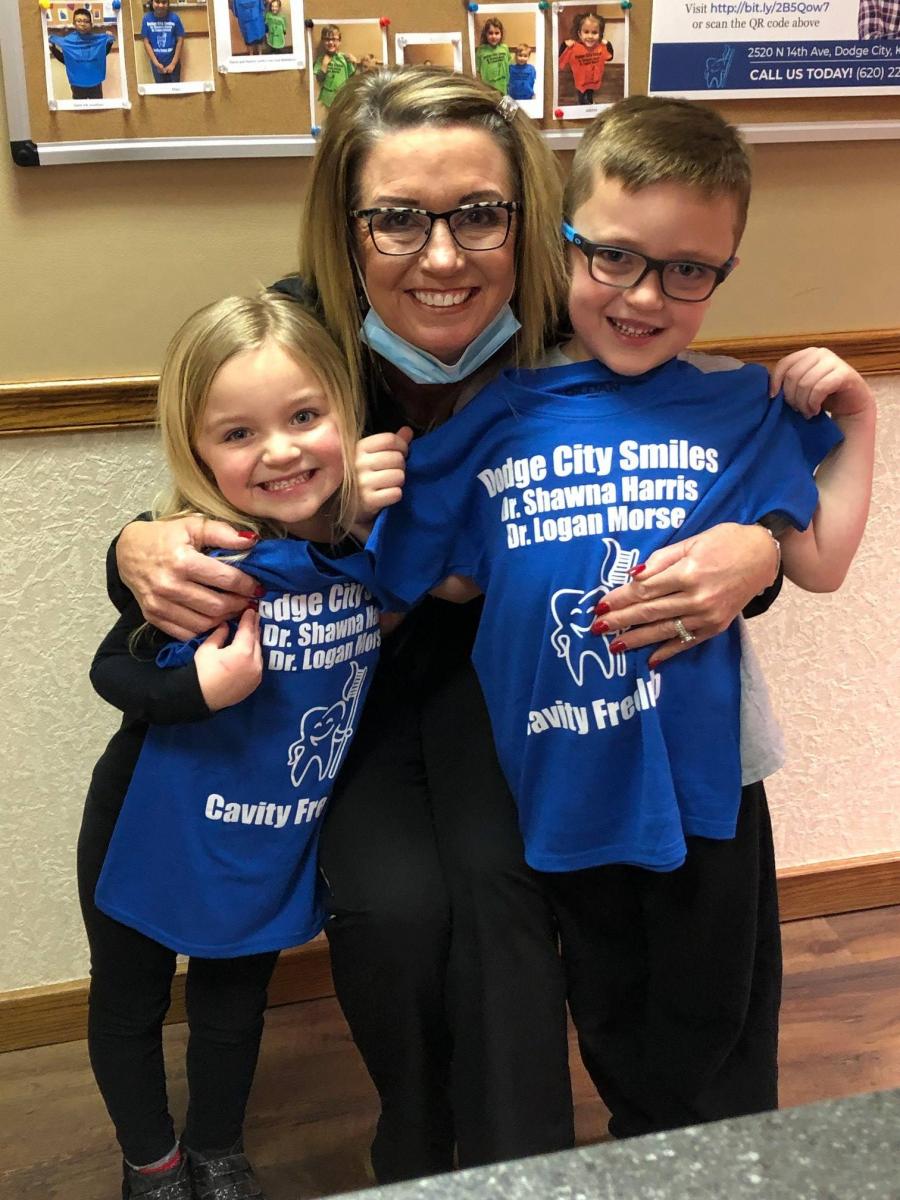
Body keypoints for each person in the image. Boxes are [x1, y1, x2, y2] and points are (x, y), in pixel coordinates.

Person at [107, 67, 789, 1183]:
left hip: (511, 677)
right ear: (346, 226)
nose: (441, 256)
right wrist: (133, 547)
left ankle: (519, 1166)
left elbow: (686, 487)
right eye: (397, 218)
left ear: (530, 218)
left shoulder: (581, 329)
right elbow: (213, 483)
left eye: (478, 214)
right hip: (353, 687)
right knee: (394, 908)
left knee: (500, 897)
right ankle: (419, 1150)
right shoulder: (301, 337)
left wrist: (760, 552)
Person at [347, 95, 876, 1140]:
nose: (644, 295)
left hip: (709, 779)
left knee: (717, 1031)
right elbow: (429, 580)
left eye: (688, 271)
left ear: (724, 271)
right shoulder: (496, 412)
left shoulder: (740, 404)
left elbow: (817, 562)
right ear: (565, 244)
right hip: (564, 777)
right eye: (616, 257)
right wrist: (362, 510)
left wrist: (858, 423)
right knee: (611, 1011)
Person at [80, 293, 381, 1200]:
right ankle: (151, 1161)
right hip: (144, 822)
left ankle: (215, 1147)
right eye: (240, 433)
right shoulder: (202, 559)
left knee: (233, 1005)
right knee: (128, 1000)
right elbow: (111, 671)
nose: (281, 450)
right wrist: (198, 691)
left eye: (304, 416)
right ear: (198, 450)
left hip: (269, 834)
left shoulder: (367, 550)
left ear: (346, 411)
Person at [48, 7, 115, 101]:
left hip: (95, 84)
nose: (82, 24)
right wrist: (53, 48)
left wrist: (109, 42)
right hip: (77, 85)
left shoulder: (97, 40)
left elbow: (101, 55)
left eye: (86, 21)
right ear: (74, 23)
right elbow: (65, 60)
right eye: (79, 21)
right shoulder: (68, 41)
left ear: (91, 24)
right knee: (79, 108)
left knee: (97, 107)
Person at [559, 12, 613, 106]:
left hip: (593, 80)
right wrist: (564, 45)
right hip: (581, 81)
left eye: (594, 32)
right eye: (586, 32)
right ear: (580, 34)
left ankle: (590, 101)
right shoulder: (573, 48)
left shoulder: (601, 47)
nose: (590, 36)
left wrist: (608, 44)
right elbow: (560, 59)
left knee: (590, 91)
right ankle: (583, 105)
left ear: (600, 34)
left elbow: (610, 57)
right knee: (582, 95)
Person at [140, 0, 185, 85]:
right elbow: (146, 42)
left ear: (168, 3)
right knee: (161, 90)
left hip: (173, 63)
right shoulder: (146, 19)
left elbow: (180, 40)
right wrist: (156, 63)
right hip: (156, 63)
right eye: (157, 2)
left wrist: (173, 64)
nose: (160, 5)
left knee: (175, 89)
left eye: (164, 2)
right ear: (152, 2)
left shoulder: (174, 18)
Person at [313, 26, 357, 110]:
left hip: (343, 99)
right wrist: (324, 65)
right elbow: (319, 79)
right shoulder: (321, 60)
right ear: (323, 41)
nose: (330, 42)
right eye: (327, 39)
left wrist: (354, 63)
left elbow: (353, 77)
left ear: (339, 41)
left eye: (334, 39)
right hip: (327, 101)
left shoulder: (344, 59)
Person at [475, 19, 512, 95]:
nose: (494, 36)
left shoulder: (505, 48)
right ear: (486, 34)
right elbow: (477, 71)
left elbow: (508, 66)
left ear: (501, 34)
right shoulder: (481, 50)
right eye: (490, 33)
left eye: (497, 33)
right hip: (488, 90)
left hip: (503, 88)